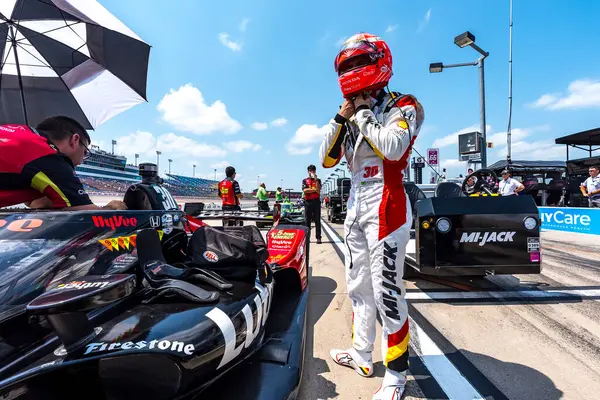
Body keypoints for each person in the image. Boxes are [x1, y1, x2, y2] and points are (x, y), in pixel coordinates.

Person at [319, 32, 424, 400]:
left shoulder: (404, 104)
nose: (352, 71)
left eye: (357, 63)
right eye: (347, 66)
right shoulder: (348, 115)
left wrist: (363, 112)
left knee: (388, 293)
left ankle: (396, 375)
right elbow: (327, 160)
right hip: (355, 204)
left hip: (388, 203)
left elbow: (394, 150)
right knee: (358, 287)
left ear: (380, 62)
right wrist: (341, 115)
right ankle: (363, 354)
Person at [0, 116, 126, 210]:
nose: (82, 160)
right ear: (74, 140)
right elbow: (88, 214)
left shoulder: (19, 133)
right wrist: (111, 208)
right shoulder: (49, 157)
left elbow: (37, 204)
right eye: (85, 152)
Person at [302, 164, 322, 244]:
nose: (312, 172)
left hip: (316, 202)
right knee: (307, 221)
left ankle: (318, 238)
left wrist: (316, 179)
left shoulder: (318, 180)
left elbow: (318, 190)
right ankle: (307, 238)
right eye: (310, 171)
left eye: (313, 171)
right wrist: (313, 189)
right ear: (308, 171)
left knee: (317, 220)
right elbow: (305, 190)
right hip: (308, 202)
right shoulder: (305, 180)